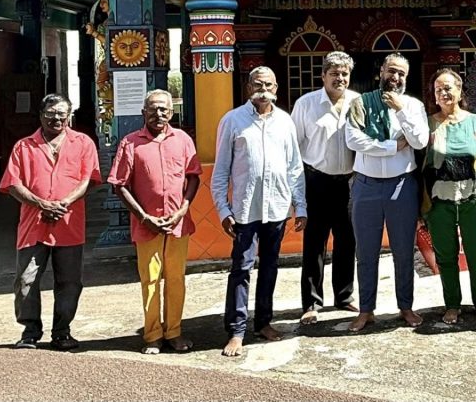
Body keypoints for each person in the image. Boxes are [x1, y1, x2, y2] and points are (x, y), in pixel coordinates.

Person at [211, 66, 306, 357]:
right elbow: (220, 172)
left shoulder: (285, 122)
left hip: (277, 207)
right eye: (257, 84)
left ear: (276, 88)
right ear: (248, 87)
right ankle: (236, 330)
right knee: (241, 269)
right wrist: (223, 209)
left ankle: (263, 322)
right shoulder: (232, 120)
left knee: (270, 267)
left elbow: (294, 167)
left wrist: (300, 204)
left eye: (268, 84)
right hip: (244, 210)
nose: (263, 89)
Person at [0, 93, 101, 350]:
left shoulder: (83, 143)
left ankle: (62, 332)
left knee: (69, 281)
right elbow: (13, 183)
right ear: (41, 115)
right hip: (33, 224)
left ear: (69, 116)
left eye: (62, 114)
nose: (56, 119)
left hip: (69, 223)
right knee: (26, 279)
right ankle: (30, 331)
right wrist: (41, 203)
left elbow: (87, 180)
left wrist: (62, 204)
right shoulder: (24, 146)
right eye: (51, 114)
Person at [108, 90, 201, 355]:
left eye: (164, 110)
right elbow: (120, 185)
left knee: (175, 279)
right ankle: (152, 335)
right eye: (153, 109)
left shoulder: (182, 140)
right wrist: (143, 216)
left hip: (178, 222)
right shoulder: (130, 143)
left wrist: (183, 208)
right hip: (145, 224)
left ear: (172, 113)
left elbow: (193, 176)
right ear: (143, 113)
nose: (158, 114)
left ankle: (174, 332)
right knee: (149, 281)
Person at [344, 52, 430, 332]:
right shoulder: (361, 102)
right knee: (366, 251)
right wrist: (392, 147)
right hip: (366, 185)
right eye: (391, 71)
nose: (395, 78)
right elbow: (354, 140)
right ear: (381, 72)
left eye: (401, 74)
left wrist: (400, 109)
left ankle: (405, 306)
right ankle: (366, 309)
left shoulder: (414, 106)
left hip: (402, 186)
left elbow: (418, 141)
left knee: (403, 251)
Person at [421, 68, 476, 324]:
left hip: (472, 200)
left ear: (459, 90)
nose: (443, 93)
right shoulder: (428, 124)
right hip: (439, 202)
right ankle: (452, 304)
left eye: (448, 88)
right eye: (438, 89)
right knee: (445, 256)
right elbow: (419, 166)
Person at [291, 51, 360, 326]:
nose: (339, 78)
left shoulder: (358, 101)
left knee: (347, 241)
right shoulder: (306, 104)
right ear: (323, 76)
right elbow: (294, 149)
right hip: (316, 182)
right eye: (334, 74)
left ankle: (344, 296)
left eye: (344, 74)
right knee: (314, 244)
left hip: (349, 182)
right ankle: (310, 302)